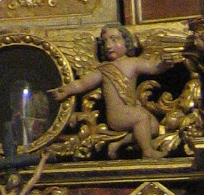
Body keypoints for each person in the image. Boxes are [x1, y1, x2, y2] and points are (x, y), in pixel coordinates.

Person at [53, 24, 172, 159]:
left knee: (154, 126)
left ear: (126, 42)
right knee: (142, 117)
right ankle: (147, 151)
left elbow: (153, 67)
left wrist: (164, 63)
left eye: (114, 40)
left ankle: (119, 143)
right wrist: (67, 90)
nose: (109, 46)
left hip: (130, 109)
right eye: (105, 42)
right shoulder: (104, 69)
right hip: (117, 115)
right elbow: (83, 83)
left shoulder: (133, 63)